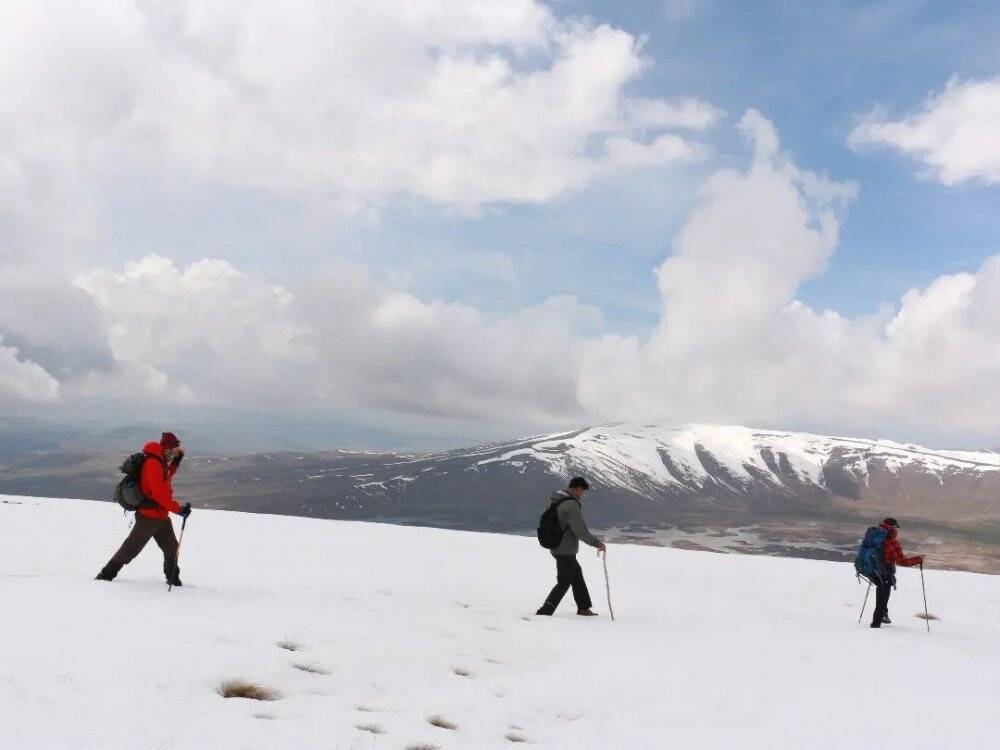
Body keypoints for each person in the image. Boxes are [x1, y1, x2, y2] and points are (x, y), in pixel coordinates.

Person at [95, 432, 192, 586]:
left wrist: (176, 462)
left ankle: (173, 579)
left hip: (160, 516)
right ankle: (105, 575)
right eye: (174, 451)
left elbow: (166, 476)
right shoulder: (152, 463)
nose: (175, 453)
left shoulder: (160, 461)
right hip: (149, 517)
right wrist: (178, 510)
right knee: (131, 549)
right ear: (167, 448)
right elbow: (158, 493)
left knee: (172, 547)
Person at [535, 476, 606, 617]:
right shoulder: (571, 505)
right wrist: (596, 542)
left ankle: (583, 608)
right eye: (583, 491)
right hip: (565, 549)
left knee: (576, 575)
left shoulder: (557, 498)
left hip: (556, 545)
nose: (583, 495)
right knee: (564, 581)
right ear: (578, 489)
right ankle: (545, 611)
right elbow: (580, 530)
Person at [871, 517, 923, 629]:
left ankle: (882, 616)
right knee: (883, 597)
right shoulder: (892, 542)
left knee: (880, 593)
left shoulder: (874, 538)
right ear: (893, 528)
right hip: (885, 573)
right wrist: (918, 560)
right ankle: (875, 625)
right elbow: (902, 561)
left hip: (874, 571)